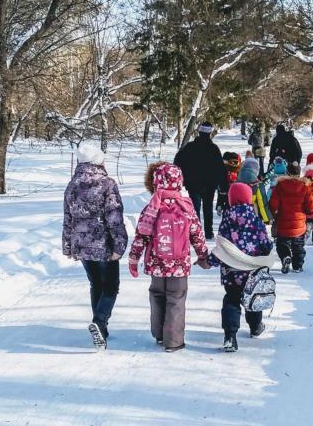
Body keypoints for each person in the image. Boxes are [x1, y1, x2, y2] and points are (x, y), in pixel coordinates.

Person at [128, 162, 209, 352]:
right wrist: (203, 255)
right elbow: (197, 234)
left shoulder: (152, 208)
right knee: (176, 298)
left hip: (156, 263)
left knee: (157, 296)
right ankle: (173, 340)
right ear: (179, 182)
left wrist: (134, 258)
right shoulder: (186, 207)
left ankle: (158, 334)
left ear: (155, 183)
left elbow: (141, 235)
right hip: (179, 265)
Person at [62, 141, 128, 350]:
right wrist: (119, 245)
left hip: (81, 245)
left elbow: (67, 218)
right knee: (110, 286)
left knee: (96, 284)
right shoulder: (107, 184)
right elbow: (114, 216)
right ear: (98, 161)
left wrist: (68, 245)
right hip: (104, 245)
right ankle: (99, 323)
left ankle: (102, 328)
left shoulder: (72, 185)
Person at [208, 183, 274, 352]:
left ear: (230, 199)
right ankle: (255, 327)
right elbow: (266, 244)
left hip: (231, 274)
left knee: (232, 300)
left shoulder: (227, 220)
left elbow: (222, 247)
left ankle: (230, 336)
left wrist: (210, 261)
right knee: (252, 299)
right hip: (252, 272)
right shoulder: (256, 220)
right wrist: (265, 251)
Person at [174, 121, 226, 239]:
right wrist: (223, 186)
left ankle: (195, 232)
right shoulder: (213, 149)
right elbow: (220, 168)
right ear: (210, 133)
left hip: (193, 184)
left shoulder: (190, 147)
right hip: (210, 185)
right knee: (208, 208)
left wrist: (181, 179)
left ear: (199, 131)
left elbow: (177, 161)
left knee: (195, 208)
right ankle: (208, 232)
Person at [269, 162, 313, 274]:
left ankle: (285, 257)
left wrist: (273, 214)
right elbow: (311, 207)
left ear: (287, 172)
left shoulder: (280, 186)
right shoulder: (305, 187)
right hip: (299, 225)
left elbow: (273, 204)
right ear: (299, 173)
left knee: (282, 244)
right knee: (298, 246)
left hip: (283, 223)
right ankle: (297, 266)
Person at [237, 154, 272, 225]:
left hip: (237, 215)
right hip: (252, 216)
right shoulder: (257, 185)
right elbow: (262, 203)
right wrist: (268, 219)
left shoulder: (236, 182)